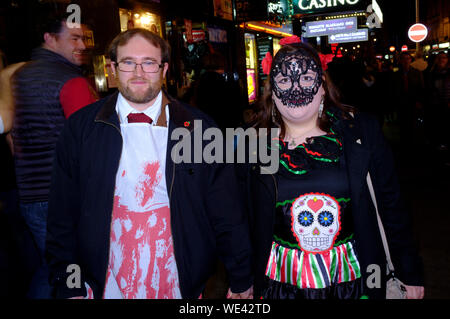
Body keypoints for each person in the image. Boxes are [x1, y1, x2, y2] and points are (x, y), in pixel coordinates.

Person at [46, 28, 253, 299]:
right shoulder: (82, 128)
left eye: (149, 63)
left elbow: (225, 209)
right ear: (113, 68)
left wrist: (240, 276)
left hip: (180, 283)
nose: (139, 72)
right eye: (129, 62)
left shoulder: (198, 130)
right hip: (104, 284)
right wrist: (68, 284)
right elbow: (63, 213)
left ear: (164, 69)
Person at [239, 40, 424, 299]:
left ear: (323, 86)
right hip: (280, 287)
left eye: (305, 78)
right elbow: (241, 220)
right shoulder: (251, 144)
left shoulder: (361, 132)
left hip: (355, 283)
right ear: (272, 89)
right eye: (284, 80)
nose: (295, 89)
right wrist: (241, 278)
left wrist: (409, 270)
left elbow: (392, 205)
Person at [11, 13, 98, 298]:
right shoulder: (70, 81)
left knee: (52, 268)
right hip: (64, 197)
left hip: (29, 193)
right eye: (74, 38)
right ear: (50, 39)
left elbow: (12, 134)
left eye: (83, 38)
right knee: (70, 272)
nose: (83, 46)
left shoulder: (18, 75)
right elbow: (90, 145)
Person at [425, 51, 449, 151]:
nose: (441, 60)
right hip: (434, 104)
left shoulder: (448, 72)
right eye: (439, 58)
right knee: (436, 126)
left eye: (444, 58)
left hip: (447, 104)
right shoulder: (431, 73)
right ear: (436, 60)